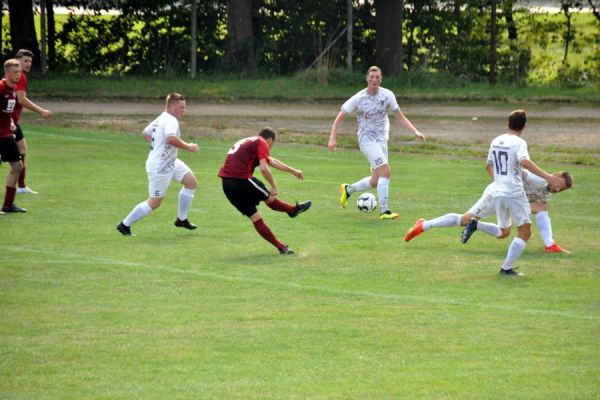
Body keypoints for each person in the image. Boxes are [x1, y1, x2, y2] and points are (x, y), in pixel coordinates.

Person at [327, 65, 426, 220]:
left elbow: (400, 116)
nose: (374, 79)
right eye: (371, 77)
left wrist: (415, 131)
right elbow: (340, 116)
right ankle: (384, 211)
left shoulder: (387, 95)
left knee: (375, 180)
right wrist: (332, 138)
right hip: (367, 140)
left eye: (377, 77)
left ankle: (348, 189)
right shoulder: (358, 98)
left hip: (381, 140)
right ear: (367, 78)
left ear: (381, 79)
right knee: (386, 172)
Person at [405, 170, 573, 254]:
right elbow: (520, 172)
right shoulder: (539, 179)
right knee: (464, 220)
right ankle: (423, 225)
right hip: (495, 194)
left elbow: (533, 206)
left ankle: (549, 244)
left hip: (507, 199)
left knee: (504, 232)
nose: (558, 189)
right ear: (555, 176)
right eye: (559, 184)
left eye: (562, 189)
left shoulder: (546, 193)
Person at [218, 127, 311, 254]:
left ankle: (281, 247)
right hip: (241, 180)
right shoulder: (261, 142)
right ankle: (292, 210)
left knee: (256, 218)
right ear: (270, 140)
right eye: (272, 144)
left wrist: (293, 171)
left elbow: (271, 160)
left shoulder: (250, 142)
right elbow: (264, 168)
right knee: (269, 198)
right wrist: (273, 185)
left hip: (226, 185)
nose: (270, 148)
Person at [117, 93, 199, 235]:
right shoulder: (171, 120)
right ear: (172, 106)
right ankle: (124, 225)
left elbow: (145, 133)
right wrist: (188, 146)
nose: (184, 110)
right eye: (182, 107)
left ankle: (181, 219)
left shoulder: (162, 117)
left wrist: (157, 147)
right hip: (160, 166)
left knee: (191, 182)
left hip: (170, 161)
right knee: (155, 201)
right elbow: (171, 139)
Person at [13, 49, 53, 194]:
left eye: (30, 61)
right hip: (7, 123)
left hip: (11, 122)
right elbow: (21, 99)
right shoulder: (20, 77)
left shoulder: (18, 76)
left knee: (22, 150)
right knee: (12, 154)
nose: (28, 63)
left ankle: (22, 186)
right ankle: (20, 186)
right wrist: (41, 111)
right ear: (17, 61)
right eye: (25, 60)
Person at [0, 59, 26, 213]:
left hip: (6, 134)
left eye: (20, 72)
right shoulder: (1, 87)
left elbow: (5, 112)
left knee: (17, 166)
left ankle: (8, 205)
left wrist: (10, 121)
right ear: (7, 72)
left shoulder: (13, 89)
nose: (18, 75)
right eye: (15, 72)